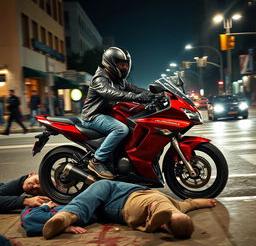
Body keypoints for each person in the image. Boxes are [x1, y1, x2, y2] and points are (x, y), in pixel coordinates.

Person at [20, 180, 216, 239]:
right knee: (89, 210)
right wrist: (206, 201)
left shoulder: (175, 206)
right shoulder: (179, 206)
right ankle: (68, 218)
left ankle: (66, 216)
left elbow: (189, 204)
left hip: (123, 197)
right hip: (119, 212)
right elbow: (192, 203)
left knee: (97, 189)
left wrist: (200, 202)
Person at [81, 47, 155, 179]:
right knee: (121, 129)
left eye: (126, 64)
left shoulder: (118, 79)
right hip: (93, 116)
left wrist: (154, 94)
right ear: (111, 63)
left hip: (107, 114)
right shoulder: (100, 78)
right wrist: (135, 97)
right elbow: (110, 92)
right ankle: (97, 161)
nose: (125, 67)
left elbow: (135, 88)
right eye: (122, 64)